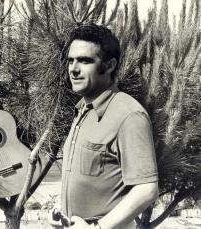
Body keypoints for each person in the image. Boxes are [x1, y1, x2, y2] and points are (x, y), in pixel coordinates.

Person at [52, 24, 159, 229]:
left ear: (109, 65)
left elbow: (147, 189)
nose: (73, 69)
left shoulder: (129, 115)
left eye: (84, 61)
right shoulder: (83, 109)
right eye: (71, 60)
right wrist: (60, 209)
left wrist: (98, 228)